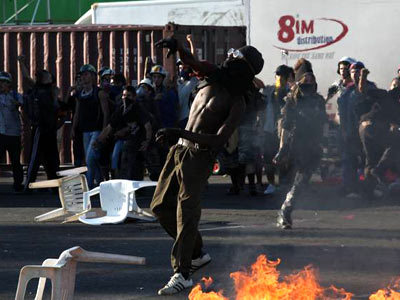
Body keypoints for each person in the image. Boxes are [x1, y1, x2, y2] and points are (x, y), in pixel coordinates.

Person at [152, 35, 264, 295]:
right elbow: (191, 60)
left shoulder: (238, 102)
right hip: (178, 149)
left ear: (244, 67)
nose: (229, 57)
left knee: (186, 212)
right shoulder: (212, 75)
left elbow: (218, 139)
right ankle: (197, 253)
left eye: (236, 56)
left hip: (199, 157)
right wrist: (177, 45)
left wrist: (179, 132)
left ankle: (182, 273)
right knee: (159, 206)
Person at [274, 59, 327, 229]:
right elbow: (286, 125)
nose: (309, 82)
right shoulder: (292, 100)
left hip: (313, 143)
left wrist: (324, 141)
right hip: (296, 143)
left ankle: (286, 209)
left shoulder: (318, 100)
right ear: (300, 80)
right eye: (306, 79)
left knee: (303, 179)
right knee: (294, 178)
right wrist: (282, 148)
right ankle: (285, 210)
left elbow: (323, 121)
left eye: (312, 79)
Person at [20, 63, 62, 190]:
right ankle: (30, 185)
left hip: (47, 128)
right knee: (39, 157)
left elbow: (58, 109)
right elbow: (27, 78)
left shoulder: (50, 90)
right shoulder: (39, 89)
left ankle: (53, 186)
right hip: (42, 127)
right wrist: (22, 63)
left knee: (51, 158)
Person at [94, 86, 152, 180]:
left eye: (128, 96)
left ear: (134, 97)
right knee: (114, 158)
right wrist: (98, 140)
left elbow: (148, 126)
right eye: (124, 95)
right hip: (123, 141)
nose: (125, 98)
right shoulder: (121, 110)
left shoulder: (138, 109)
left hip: (137, 142)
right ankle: (115, 180)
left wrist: (147, 141)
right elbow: (109, 127)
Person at [72, 64, 110, 188]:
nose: (83, 77)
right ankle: (100, 185)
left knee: (90, 159)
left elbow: (106, 113)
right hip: (85, 131)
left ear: (93, 76)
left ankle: (87, 187)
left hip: (97, 131)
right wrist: (74, 128)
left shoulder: (99, 93)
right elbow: (77, 112)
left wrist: (104, 132)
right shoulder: (80, 94)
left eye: (86, 74)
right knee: (94, 160)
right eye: (82, 75)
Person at [259, 64, 294, 195]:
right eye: (277, 75)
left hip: (284, 131)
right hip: (269, 130)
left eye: (282, 76)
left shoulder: (291, 92)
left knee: (284, 159)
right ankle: (271, 183)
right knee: (268, 160)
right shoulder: (269, 91)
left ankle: (283, 184)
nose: (279, 78)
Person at [0, 71, 24, 192]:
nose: (1, 84)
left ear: (9, 84)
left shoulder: (15, 95)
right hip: (1, 133)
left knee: (15, 160)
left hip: (14, 133)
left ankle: (18, 184)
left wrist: (18, 104)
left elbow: (24, 104)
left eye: (3, 82)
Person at [177, 34, 199, 129]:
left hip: (188, 119)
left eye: (185, 67)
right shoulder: (177, 82)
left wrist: (191, 43)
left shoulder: (193, 82)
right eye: (181, 67)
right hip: (177, 119)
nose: (182, 69)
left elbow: (194, 61)